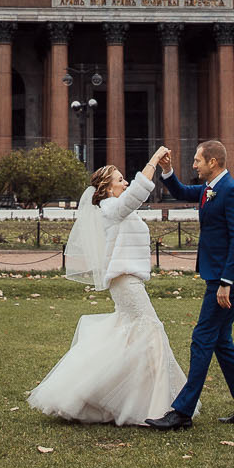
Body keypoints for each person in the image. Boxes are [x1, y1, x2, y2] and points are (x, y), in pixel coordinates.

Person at [28, 148, 184, 426]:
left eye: (125, 179)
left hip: (129, 280)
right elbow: (138, 193)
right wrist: (152, 162)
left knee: (132, 337)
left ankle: (130, 399)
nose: (125, 182)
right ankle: (155, 406)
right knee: (150, 331)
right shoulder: (110, 208)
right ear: (108, 188)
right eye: (120, 179)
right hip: (125, 281)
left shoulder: (116, 210)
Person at [146, 140, 234, 431]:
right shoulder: (210, 190)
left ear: (213, 162)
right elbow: (182, 192)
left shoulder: (232, 192)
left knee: (202, 339)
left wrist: (226, 282)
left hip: (226, 277)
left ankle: (182, 412)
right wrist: (168, 171)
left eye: (198, 160)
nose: (194, 165)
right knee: (222, 343)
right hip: (218, 274)